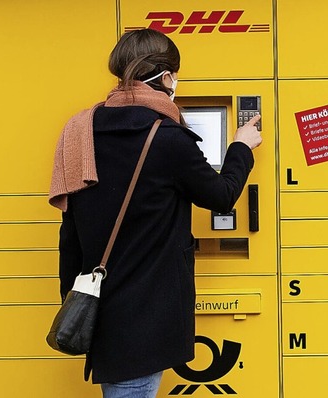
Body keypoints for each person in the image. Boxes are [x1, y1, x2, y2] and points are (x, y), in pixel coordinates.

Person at [48, 28, 262, 397]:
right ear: (166, 77)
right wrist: (240, 147)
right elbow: (222, 196)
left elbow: (70, 229)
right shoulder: (166, 138)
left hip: (102, 307)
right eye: (174, 74)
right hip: (148, 315)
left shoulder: (78, 132)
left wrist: (75, 294)